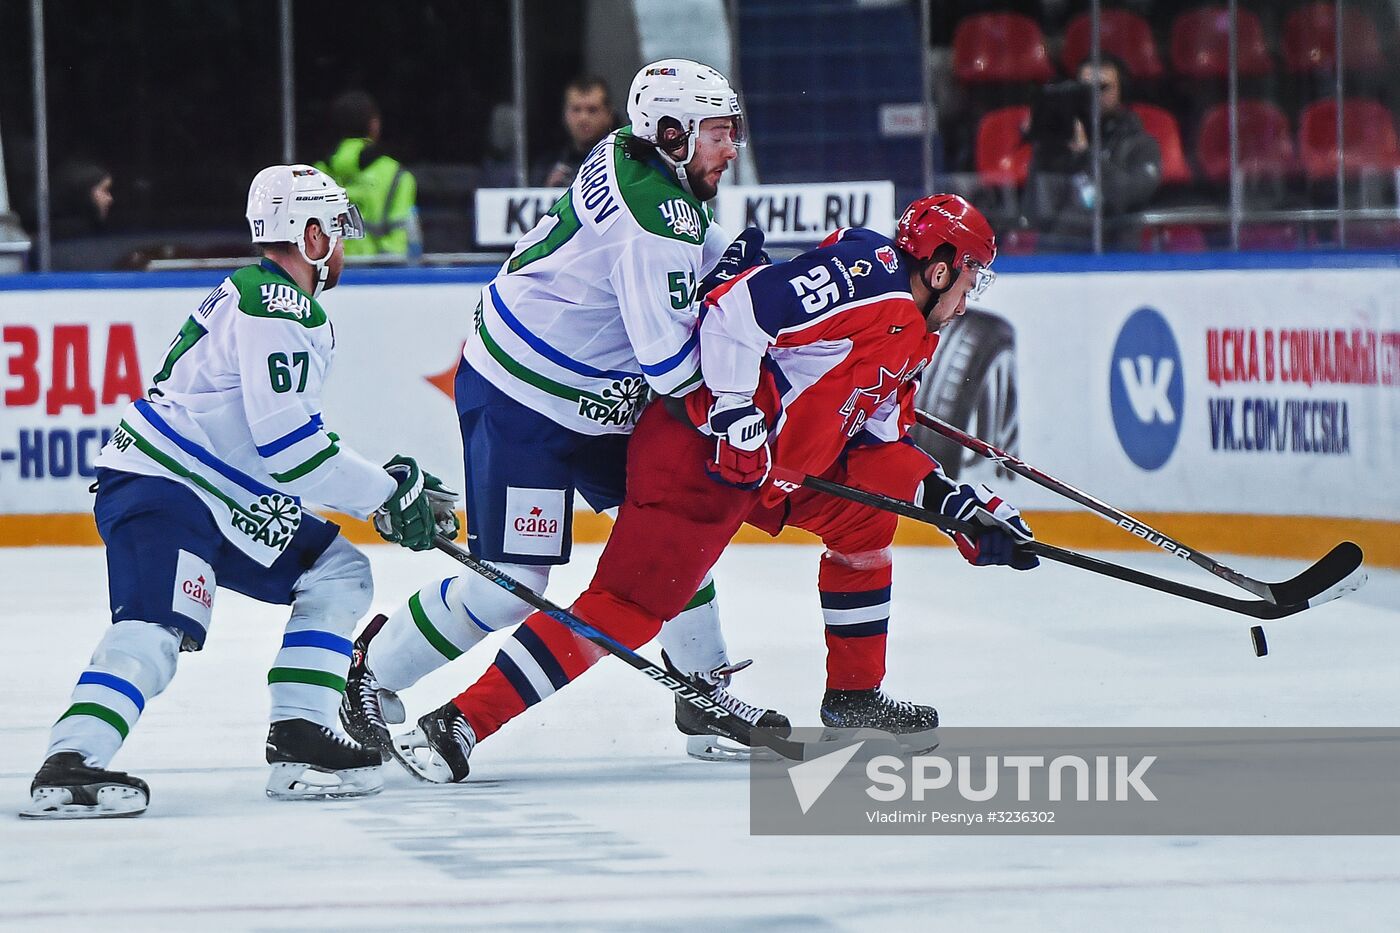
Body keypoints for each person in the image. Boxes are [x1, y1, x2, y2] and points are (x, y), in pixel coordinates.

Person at [386, 195, 1041, 783]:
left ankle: (853, 697)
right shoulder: (866, 279)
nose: (970, 298)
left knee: (864, 523)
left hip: (773, 469)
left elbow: (874, 448)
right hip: (701, 453)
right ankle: (463, 720)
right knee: (624, 607)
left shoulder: (915, 335)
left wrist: (956, 505)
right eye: (972, 278)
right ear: (940, 268)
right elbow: (737, 311)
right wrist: (734, 413)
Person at [340, 59, 790, 767]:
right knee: (513, 585)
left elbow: (697, 266)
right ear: (673, 134)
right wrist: (749, 391)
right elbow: (673, 369)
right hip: (524, 400)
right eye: (717, 133)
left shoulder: (635, 152)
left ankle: (702, 690)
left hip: (592, 391)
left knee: (671, 527)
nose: (731, 148)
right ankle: (375, 672)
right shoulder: (655, 219)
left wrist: (740, 276)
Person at [20, 164, 456, 819]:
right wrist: (384, 496)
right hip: (170, 489)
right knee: (154, 628)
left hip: (215, 492)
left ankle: (302, 734)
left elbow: (273, 442)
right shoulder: (279, 305)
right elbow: (293, 449)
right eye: (335, 230)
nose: (342, 245)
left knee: (336, 570)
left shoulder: (257, 296)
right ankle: (70, 762)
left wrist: (383, 487)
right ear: (310, 236)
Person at [1023, 55, 1161, 250]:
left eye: (1103, 87)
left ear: (1122, 91)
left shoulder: (1141, 145)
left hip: (1117, 255)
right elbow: (1036, 214)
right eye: (1085, 89)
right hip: (1058, 254)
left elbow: (1126, 197)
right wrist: (1044, 143)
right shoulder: (1057, 144)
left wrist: (1086, 156)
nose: (1094, 96)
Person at [315, 91, 417, 257]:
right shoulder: (397, 176)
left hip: (327, 269)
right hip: (380, 271)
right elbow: (402, 241)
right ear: (373, 125)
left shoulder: (315, 176)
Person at [531, 76, 618, 187]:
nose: (583, 118)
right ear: (564, 114)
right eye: (576, 109)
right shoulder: (546, 165)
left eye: (592, 110)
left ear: (609, 114)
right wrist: (548, 189)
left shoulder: (622, 160)